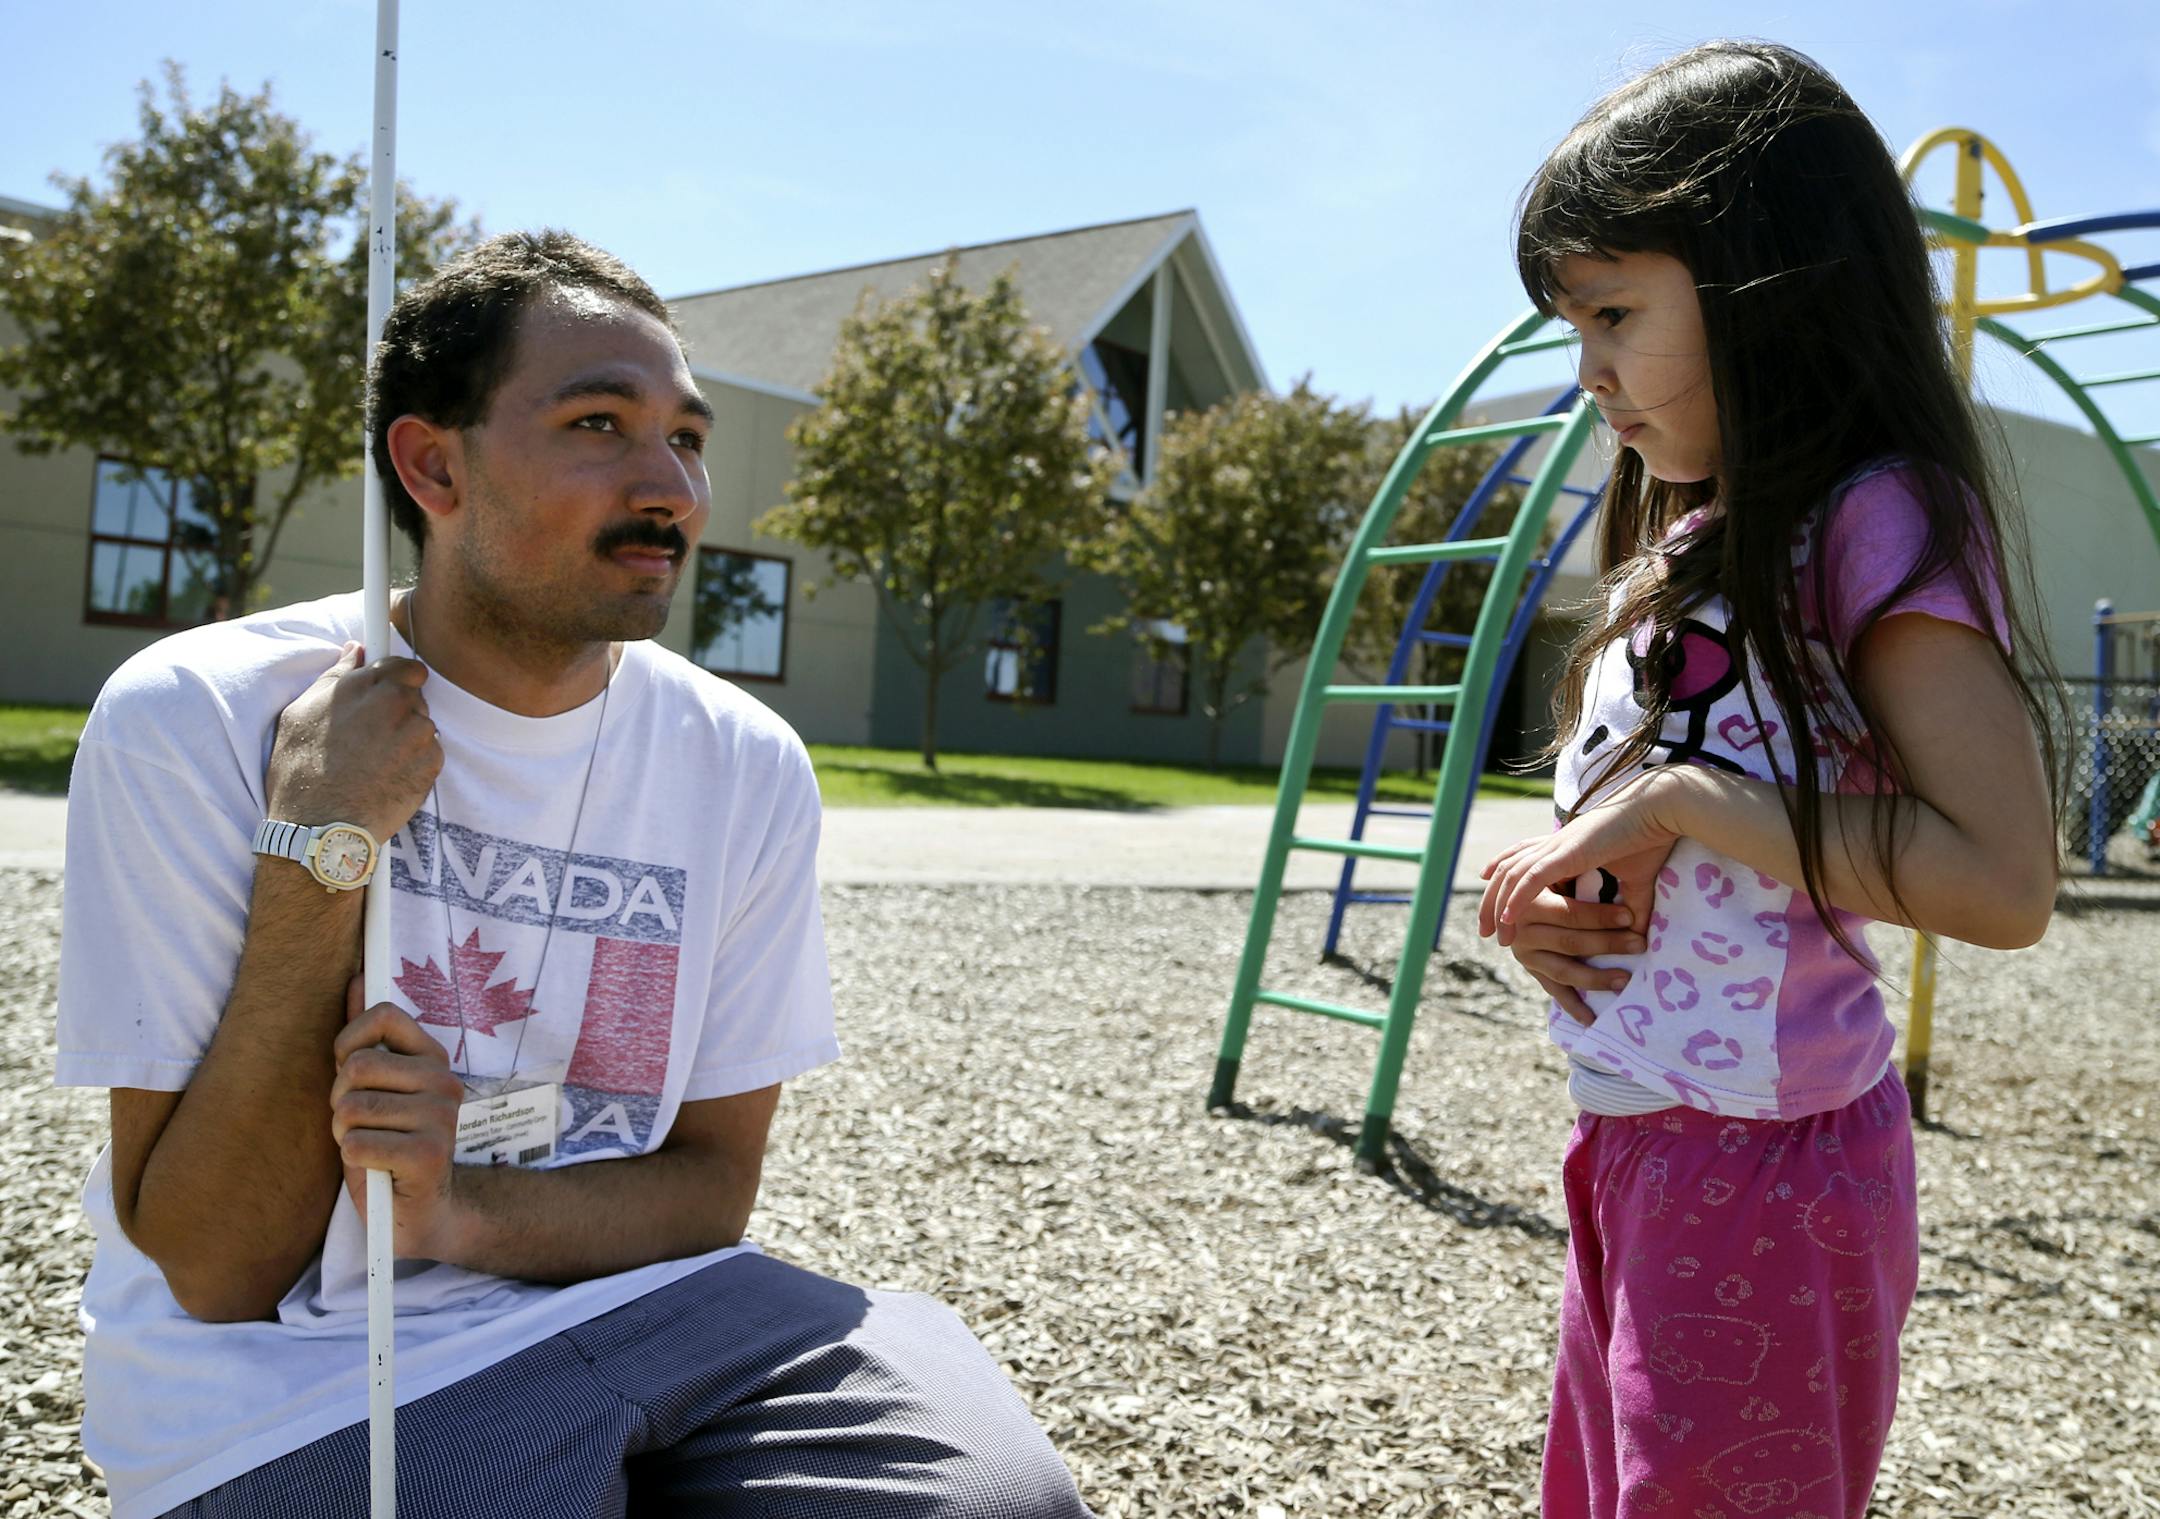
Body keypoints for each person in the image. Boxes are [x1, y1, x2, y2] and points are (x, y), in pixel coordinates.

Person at [55, 231, 1094, 1519]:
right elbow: (216, 1270)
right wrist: (322, 848)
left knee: (998, 1500)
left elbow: (713, 1186)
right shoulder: (201, 715)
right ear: (434, 464)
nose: (673, 488)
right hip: (301, 1382)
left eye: (690, 439)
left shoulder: (742, 760)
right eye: (602, 423)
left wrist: (454, 1214)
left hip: (653, 1306)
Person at [1469, 42, 2061, 1518]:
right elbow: (1675, 846)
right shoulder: (1689, 538)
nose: (1588, 370)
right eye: (1572, 325)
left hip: (1774, 1173)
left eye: (1615, 313)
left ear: (1772, 286)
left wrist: (1679, 805)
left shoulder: (1873, 521)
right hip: (1637, 1144)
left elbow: (2001, 879)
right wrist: (1556, 910)